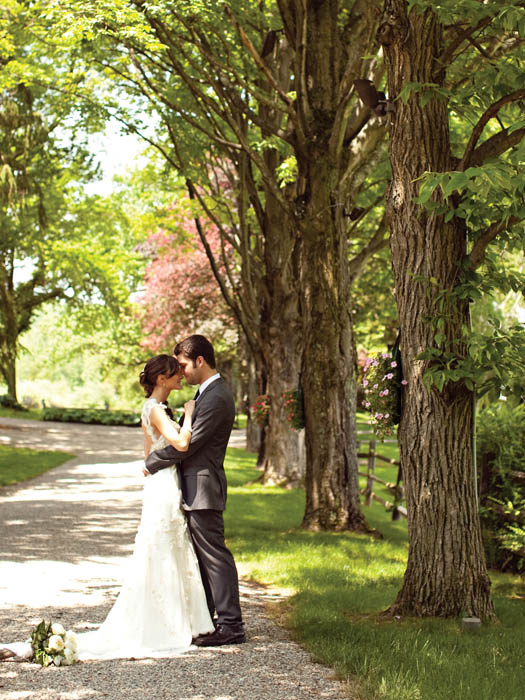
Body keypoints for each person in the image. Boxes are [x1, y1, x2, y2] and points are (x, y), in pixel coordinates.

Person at [145, 335, 245, 646]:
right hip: (194, 487)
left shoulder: (215, 397)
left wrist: (153, 460)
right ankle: (208, 620)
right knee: (202, 558)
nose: (182, 371)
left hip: (203, 487)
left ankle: (232, 625)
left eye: (185, 365)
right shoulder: (206, 394)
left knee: (215, 557)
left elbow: (190, 445)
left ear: (200, 361)